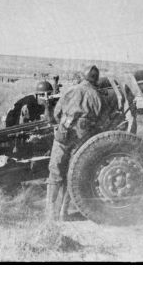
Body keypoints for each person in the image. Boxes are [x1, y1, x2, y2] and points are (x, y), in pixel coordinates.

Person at [46, 65, 106, 221]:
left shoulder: (70, 90)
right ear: (96, 79)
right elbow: (102, 121)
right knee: (71, 175)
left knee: (55, 173)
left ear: (83, 77)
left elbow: (57, 113)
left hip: (63, 136)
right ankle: (63, 214)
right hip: (82, 140)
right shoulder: (97, 96)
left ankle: (50, 215)